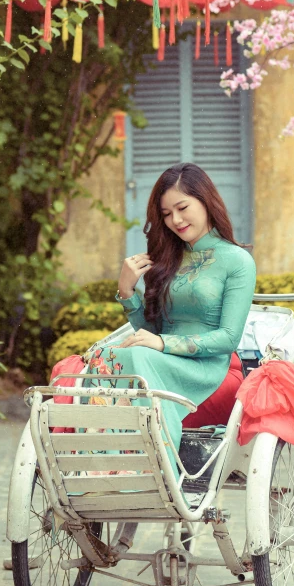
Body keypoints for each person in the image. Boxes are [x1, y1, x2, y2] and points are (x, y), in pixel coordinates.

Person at [84, 162, 257, 458]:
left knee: (134, 354)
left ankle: (150, 467)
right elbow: (150, 333)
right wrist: (127, 292)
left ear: (205, 201)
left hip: (205, 367)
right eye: (165, 214)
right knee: (106, 355)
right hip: (162, 360)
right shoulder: (168, 258)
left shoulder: (237, 261)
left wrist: (162, 343)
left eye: (182, 207)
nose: (175, 220)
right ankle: (103, 466)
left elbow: (228, 338)